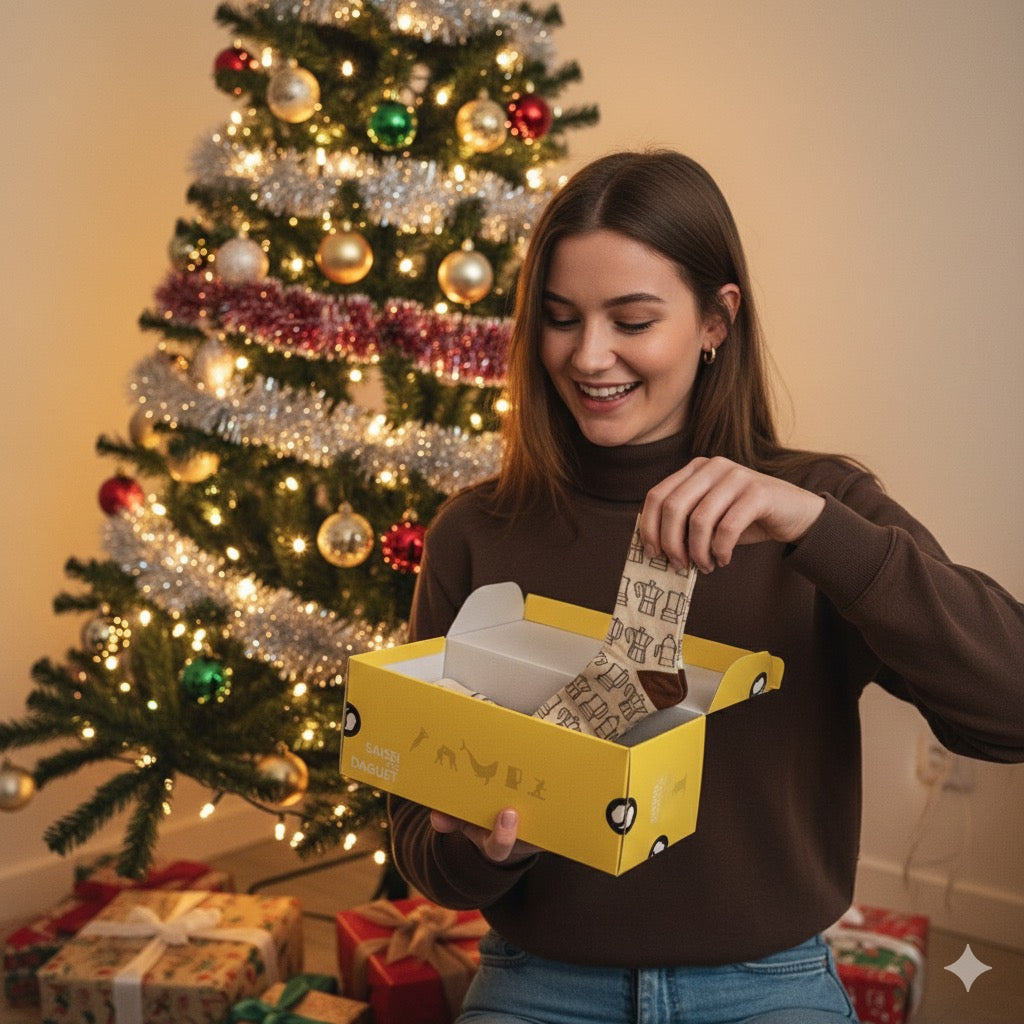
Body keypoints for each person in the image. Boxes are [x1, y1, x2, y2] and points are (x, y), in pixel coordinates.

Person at [387, 150, 1024, 1024]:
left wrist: (817, 532)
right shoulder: (477, 530)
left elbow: (1012, 706)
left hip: (770, 986)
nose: (588, 355)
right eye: (562, 318)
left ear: (717, 320)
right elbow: (424, 851)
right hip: (540, 983)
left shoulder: (821, 509)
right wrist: (484, 853)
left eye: (632, 320)